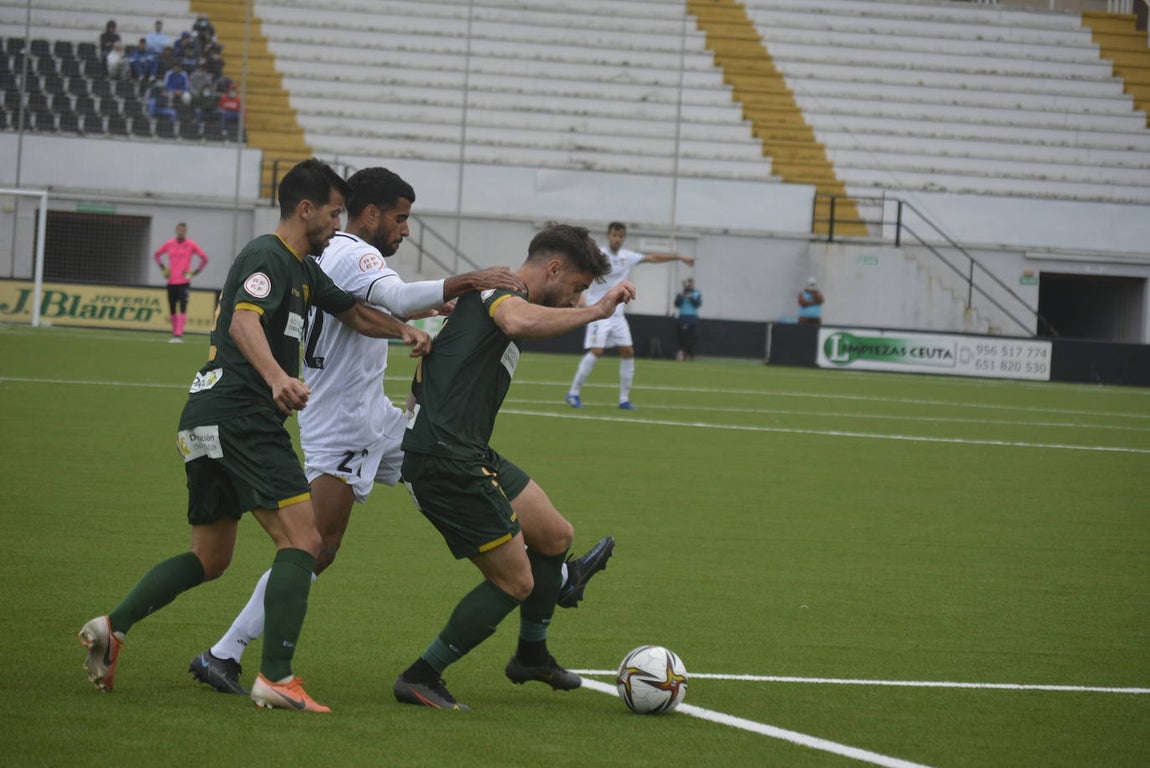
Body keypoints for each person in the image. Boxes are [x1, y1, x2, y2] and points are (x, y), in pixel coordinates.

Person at [188, 169, 615, 696]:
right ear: (372, 215)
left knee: (448, 462)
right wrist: (464, 283)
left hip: (377, 418)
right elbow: (398, 297)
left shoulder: (329, 258)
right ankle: (223, 653)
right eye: (401, 218)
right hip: (342, 423)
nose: (405, 230)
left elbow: (366, 314)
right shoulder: (357, 252)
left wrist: (423, 322)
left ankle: (548, 587)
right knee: (315, 547)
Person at [78, 158, 432, 714]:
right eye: (335, 212)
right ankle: (277, 676)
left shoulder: (306, 270)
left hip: (204, 423)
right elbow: (245, 321)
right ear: (306, 209)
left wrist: (405, 327)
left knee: (209, 558)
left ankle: (111, 627)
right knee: (305, 542)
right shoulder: (268, 255)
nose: (339, 224)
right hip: (240, 416)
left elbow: (356, 314)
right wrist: (278, 379)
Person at [393, 223, 633, 711]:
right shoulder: (501, 289)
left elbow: (435, 364)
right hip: (446, 457)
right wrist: (598, 311)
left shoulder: (486, 295)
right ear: (554, 268)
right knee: (516, 582)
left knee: (554, 536)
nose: (574, 299)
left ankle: (531, 654)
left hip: (467, 449)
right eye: (578, 287)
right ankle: (422, 675)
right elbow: (519, 322)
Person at [565, 222, 693, 410]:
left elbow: (653, 257)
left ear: (623, 237)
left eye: (620, 236)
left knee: (628, 352)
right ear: (608, 236)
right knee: (597, 351)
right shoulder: (597, 254)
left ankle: (624, 399)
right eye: (614, 235)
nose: (617, 239)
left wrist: (678, 257)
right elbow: (577, 272)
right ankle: (573, 393)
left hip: (617, 315)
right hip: (596, 312)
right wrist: (581, 296)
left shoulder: (628, 257)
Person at [153, 222, 208, 343]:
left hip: (184, 282)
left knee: (182, 306)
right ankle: (174, 333)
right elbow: (156, 255)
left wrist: (194, 273)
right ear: (176, 231)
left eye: (183, 230)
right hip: (172, 281)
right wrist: (163, 268)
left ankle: (179, 334)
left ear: (186, 231)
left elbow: (204, 258)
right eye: (179, 230)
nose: (181, 232)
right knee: (172, 307)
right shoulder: (169, 244)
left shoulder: (191, 245)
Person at [674, 278, 702, 361]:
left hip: (693, 318)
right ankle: (683, 355)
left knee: (693, 338)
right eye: (688, 284)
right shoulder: (680, 293)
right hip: (683, 318)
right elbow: (677, 304)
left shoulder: (697, 293)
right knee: (683, 338)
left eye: (691, 284)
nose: (689, 285)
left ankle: (692, 355)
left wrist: (690, 297)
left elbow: (697, 304)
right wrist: (683, 297)